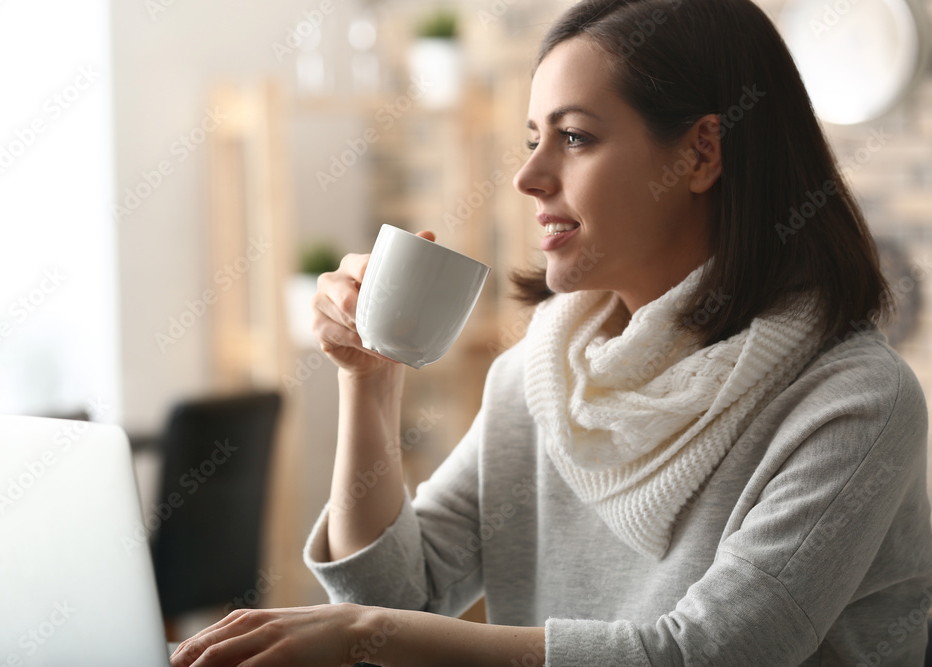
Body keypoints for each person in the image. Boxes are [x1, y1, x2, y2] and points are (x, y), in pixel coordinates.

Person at [170, 0, 932, 664]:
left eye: (572, 138)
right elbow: (400, 591)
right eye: (533, 136)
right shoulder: (545, 377)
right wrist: (367, 382)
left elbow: (711, 653)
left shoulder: (857, 402)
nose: (528, 176)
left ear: (702, 152)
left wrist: (363, 631)